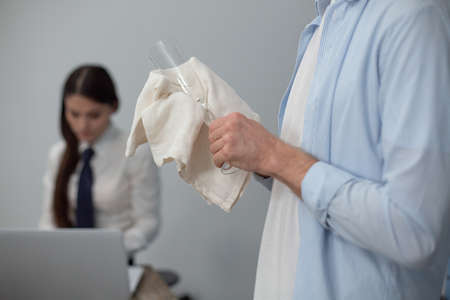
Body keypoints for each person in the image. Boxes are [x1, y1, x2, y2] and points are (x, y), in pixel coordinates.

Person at [208, 0, 450, 299]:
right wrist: (261, 160)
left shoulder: (411, 18)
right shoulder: (322, 26)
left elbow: (414, 231)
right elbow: (316, 182)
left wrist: (274, 155)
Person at [40, 65, 161, 259]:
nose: (82, 125)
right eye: (74, 114)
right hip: (66, 262)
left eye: (94, 115)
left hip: (117, 261)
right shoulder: (58, 154)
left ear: (113, 106)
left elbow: (148, 223)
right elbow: (48, 221)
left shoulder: (136, 152)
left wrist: (108, 250)